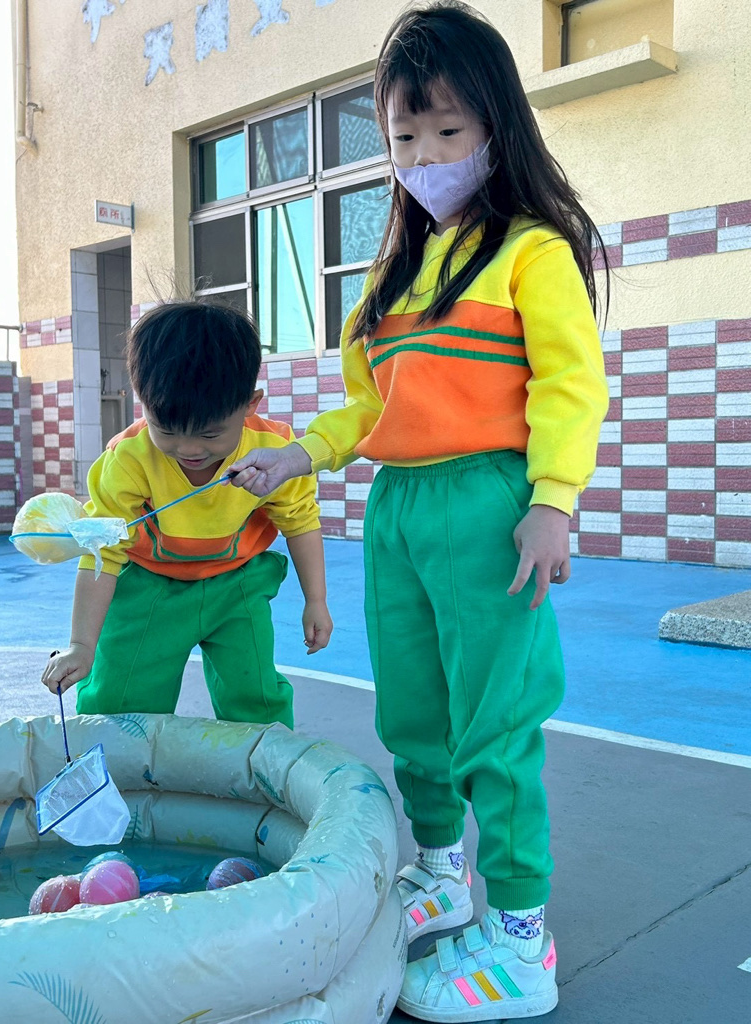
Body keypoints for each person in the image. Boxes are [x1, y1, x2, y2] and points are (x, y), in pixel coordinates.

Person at [228, 2, 609, 1018]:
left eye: (447, 129)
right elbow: (368, 407)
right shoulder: (392, 278)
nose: (426, 155)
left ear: (496, 126)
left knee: (497, 720)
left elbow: (571, 384)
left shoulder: (530, 250)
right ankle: (440, 872)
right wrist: (296, 455)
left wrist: (553, 500)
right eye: (405, 136)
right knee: (412, 712)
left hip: (489, 507)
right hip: (396, 511)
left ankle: (522, 936)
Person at [42, 301, 332, 729]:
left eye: (210, 434)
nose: (189, 449)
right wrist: (82, 644)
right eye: (166, 430)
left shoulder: (275, 452)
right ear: (142, 401)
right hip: (149, 586)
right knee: (119, 703)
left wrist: (316, 600)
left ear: (250, 404)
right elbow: (102, 554)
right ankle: (120, 765)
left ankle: (261, 769)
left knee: (256, 700)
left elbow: (301, 522)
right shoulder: (127, 459)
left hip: (237, 585)